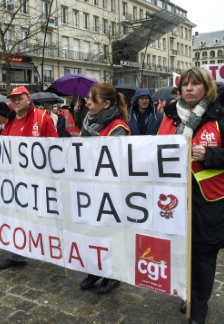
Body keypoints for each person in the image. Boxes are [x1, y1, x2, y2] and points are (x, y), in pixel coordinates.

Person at [157, 67, 224, 324]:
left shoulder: (223, 117)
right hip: (175, 200)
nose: (188, 88)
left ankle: (199, 308)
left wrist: (208, 155)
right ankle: (186, 293)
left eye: (195, 84)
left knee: (204, 254)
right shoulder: (168, 117)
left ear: (206, 88)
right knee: (180, 251)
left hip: (212, 202)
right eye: (184, 84)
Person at [0, 86, 58, 269]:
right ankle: (17, 254)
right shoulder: (9, 121)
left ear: (28, 99)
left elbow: (55, 147)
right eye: (13, 99)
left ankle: (54, 248)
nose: (16, 102)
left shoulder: (41, 117)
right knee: (16, 216)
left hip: (37, 180)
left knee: (41, 218)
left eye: (19, 98)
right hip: (16, 180)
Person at [78, 82, 130, 294]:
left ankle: (113, 275)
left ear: (106, 104)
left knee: (110, 234)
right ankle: (95, 270)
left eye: (92, 99)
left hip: (110, 191)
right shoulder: (89, 122)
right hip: (91, 187)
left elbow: (113, 161)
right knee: (91, 232)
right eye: (88, 99)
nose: (87, 103)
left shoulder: (118, 127)